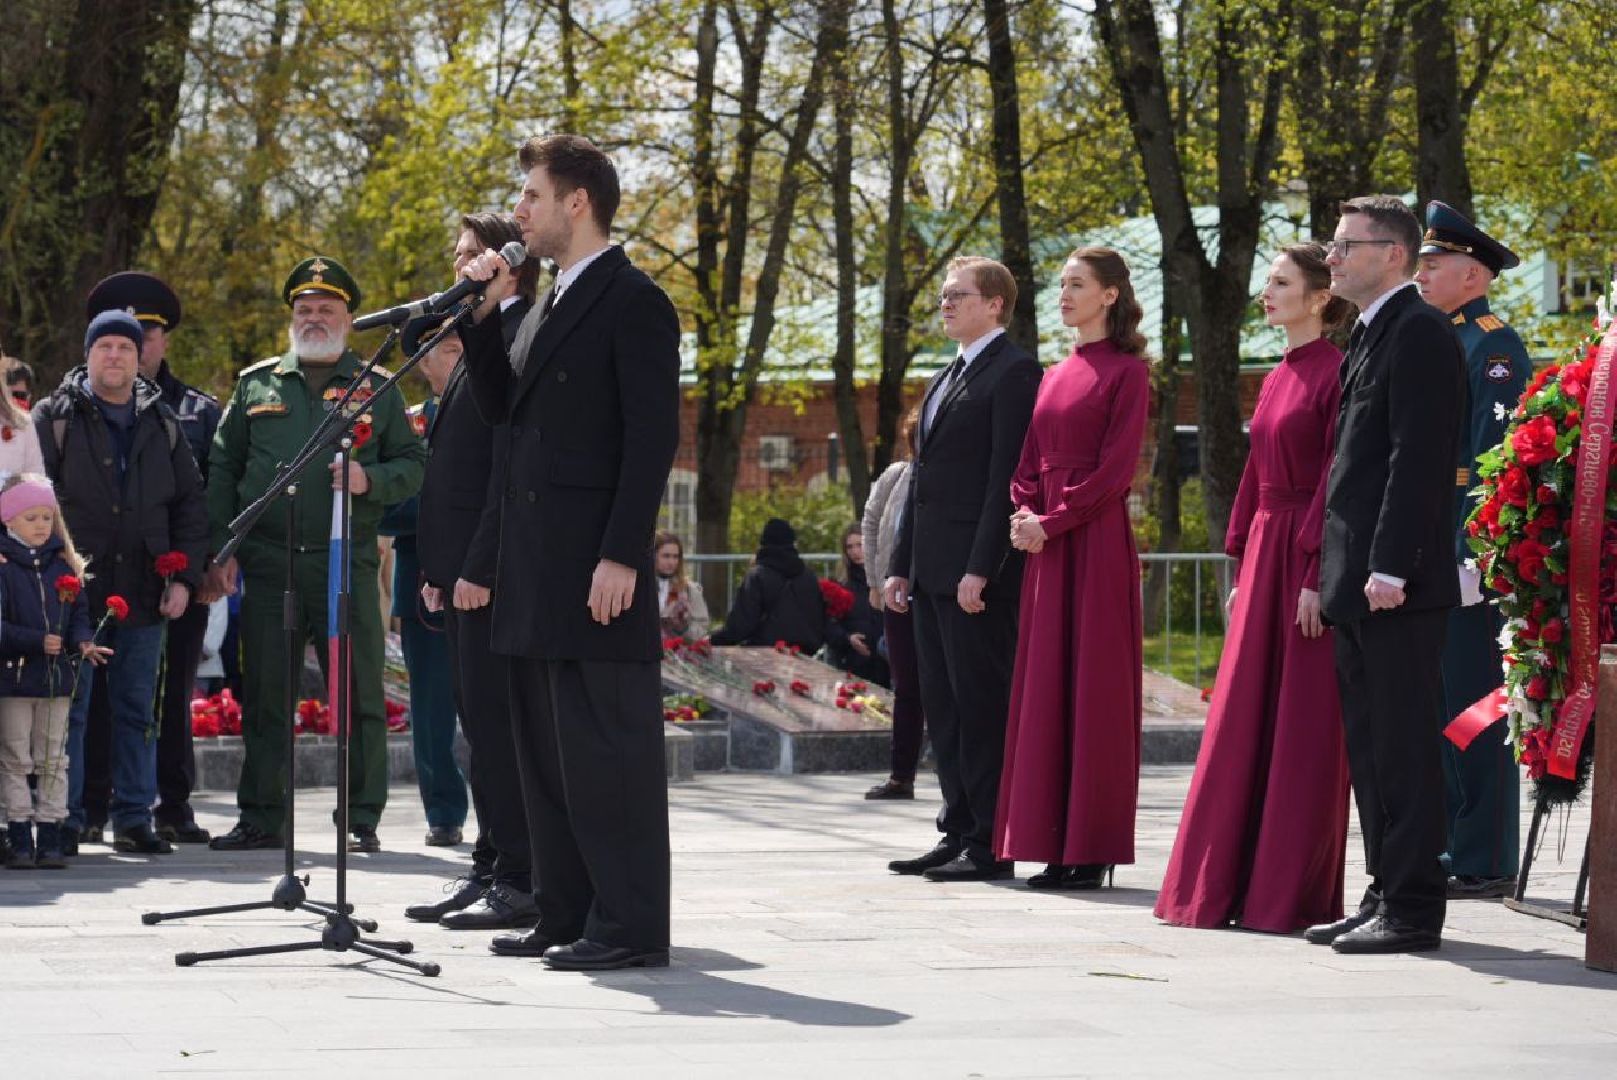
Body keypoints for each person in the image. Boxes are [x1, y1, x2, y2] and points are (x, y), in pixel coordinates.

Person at [457, 133, 680, 970]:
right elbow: (505, 416)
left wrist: (624, 551)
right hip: (536, 566)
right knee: (546, 759)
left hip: (596, 569)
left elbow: (651, 435)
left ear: (575, 203)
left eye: (530, 196)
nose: (519, 212)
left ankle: (626, 926)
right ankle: (564, 912)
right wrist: (479, 324)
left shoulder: (632, 299)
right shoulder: (547, 298)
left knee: (604, 758)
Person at [1155, 244, 1354, 928]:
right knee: (1240, 722)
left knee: (1300, 726)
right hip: (1266, 555)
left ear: (1319, 297)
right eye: (1266, 280)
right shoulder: (1274, 376)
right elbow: (1253, 476)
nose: (1265, 292)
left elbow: (1335, 482)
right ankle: (1220, 887)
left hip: (1302, 560)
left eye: (1279, 282)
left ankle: (1282, 894)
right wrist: (1240, 566)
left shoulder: (1336, 372)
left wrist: (1312, 576)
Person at [204, 256, 427, 853]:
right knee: (266, 695)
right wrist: (219, 549)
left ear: (349, 318)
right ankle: (262, 816)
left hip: (343, 564)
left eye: (327, 308)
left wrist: (367, 482)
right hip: (269, 560)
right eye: (304, 309)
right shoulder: (256, 384)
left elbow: (413, 464)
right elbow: (224, 467)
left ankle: (360, 819)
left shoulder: (375, 388)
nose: (314, 318)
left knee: (356, 694)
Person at [1309, 195, 1466, 954]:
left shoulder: (1421, 332)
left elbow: (1417, 461)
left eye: (1346, 246)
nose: (1331, 257)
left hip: (1393, 583)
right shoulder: (1370, 333)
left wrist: (1387, 565)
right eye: (1332, 246)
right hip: (1357, 583)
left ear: (1394, 255)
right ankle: (1383, 888)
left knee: (1402, 748)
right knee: (1370, 749)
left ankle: (1412, 908)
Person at [994, 247, 1149, 890]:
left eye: (1076, 284)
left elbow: (1115, 474)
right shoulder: (1054, 373)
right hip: (1047, 548)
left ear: (1110, 295)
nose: (1063, 294)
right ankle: (1049, 839)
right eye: (1061, 284)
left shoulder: (1129, 373)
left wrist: (1049, 521)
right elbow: (1027, 464)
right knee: (1047, 690)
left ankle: (1090, 845)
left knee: (1094, 691)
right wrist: (1025, 513)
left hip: (1094, 544)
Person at [882, 255, 1041, 883]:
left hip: (976, 579)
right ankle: (956, 827)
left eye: (958, 295)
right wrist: (901, 564)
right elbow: (921, 480)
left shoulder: (1015, 373)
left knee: (981, 709)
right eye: (944, 295)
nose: (945, 303)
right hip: (929, 574)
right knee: (942, 707)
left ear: (995, 303)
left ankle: (989, 841)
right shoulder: (945, 376)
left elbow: (1006, 479)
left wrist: (982, 568)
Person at [404, 211, 541, 932]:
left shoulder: (519, 339)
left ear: (504, 265)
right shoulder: (472, 347)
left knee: (496, 733)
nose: (456, 268)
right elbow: (451, 478)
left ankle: (519, 877)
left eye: (468, 257)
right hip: (456, 578)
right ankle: (491, 866)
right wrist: (437, 566)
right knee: (477, 735)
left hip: (493, 580)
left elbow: (505, 474)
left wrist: (478, 564)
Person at [34, 310, 208, 856]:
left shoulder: (163, 421)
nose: (115, 356)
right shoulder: (54, 417)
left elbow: (189, 506)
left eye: (125, 349)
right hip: (72, 592)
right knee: (72, 710)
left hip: (143, 589)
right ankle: (68, 818)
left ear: (140, 358)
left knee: (137, 709)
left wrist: (183, 577)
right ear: (88, 354)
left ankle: (135, 817)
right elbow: (29, 500)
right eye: (104, 346)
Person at [1413, 201, 1532, 900]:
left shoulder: (1491, 346)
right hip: (1427, 543)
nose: (1423, 273)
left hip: (1463, 547)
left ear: (1471, 273)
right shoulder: (1435, 337)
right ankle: (1456, 842)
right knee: (1435, 706)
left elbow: (1492, 460)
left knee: (1473, 706)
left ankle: (1484, 852)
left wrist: (1471, 553)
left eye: (1435, 264)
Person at [85, 271, 221, 845]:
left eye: (144, 333)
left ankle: (173, 801)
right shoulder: (71, 409)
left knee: (170, 692)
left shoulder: (194, 410)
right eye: (118, 336)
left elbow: (209, 495)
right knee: (95, 701)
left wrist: (206, 566)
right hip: (102, 578)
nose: (133, 345)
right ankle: (94, 802)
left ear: (161, 341)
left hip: (173, 579)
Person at [379, 316, 469, 848]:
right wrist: (441, 509)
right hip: (425, 582)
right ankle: (444, 811)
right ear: (424, 363)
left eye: (462, 349)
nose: (457, 360)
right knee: (432, 708)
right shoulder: (408, 427)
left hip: (488, 576)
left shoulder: (492, 414)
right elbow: (383, 506)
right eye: (448, 351)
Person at [0, 475, 104, 869]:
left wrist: (83, 642)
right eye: (31, 517)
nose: (42, 525)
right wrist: (34, 640)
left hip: (55, 680)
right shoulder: (4, 566)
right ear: (9, 520)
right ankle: (19, 834)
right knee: (14, 757)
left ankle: (50, 834)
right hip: (14, 680)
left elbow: (78, 614)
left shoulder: (63, 564)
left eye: (47, 516)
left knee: (52, 757)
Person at [862, 405, 924, 800]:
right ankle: (901, 775)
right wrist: (874, 579)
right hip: (898, 593)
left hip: (941, 594)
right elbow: (871, 522)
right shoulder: (896, 476)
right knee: (907, 685)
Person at [710, 518, 825, 653]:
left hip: (765, 655)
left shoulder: (757, 576)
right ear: (792, 543)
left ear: (764, 543)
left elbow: (741, 624)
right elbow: (818, 621)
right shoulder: (809, 577)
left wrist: (713, 640)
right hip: (803, 654)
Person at [825, 523, 889, 686]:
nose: (855, 551)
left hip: (886, 662)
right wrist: (847, 639)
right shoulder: (841, 585)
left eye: (860, 545)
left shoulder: (887, 580)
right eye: (850, 547)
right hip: (853, 663)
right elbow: (828, 623)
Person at [655, 530, 710, 640]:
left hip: (677, 653)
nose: (671, 562)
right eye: (666, 556)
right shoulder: (637, 587)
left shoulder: (689, 589)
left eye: (676, 557)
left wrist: (683, 628)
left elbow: (701, 631)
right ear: (652, 556)